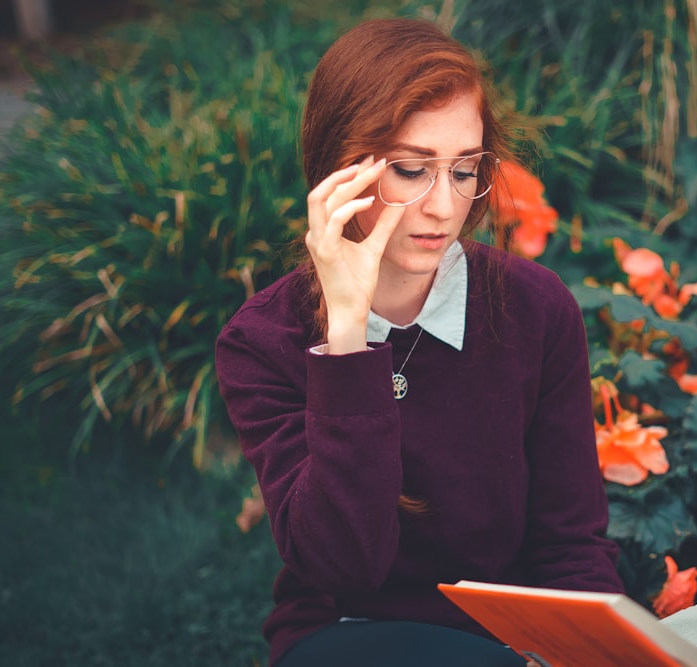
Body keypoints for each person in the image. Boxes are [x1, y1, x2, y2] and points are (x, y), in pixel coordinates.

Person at [215, 17, 624, 667]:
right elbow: (345, 564)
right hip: (346, 632)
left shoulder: (536, 308)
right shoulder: (265, 340)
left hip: (507, 639)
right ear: (338, 173)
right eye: (411, 169)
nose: (443, 205)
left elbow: (571, 541)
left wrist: (597, 654)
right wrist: (347, 342)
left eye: (465, 170)